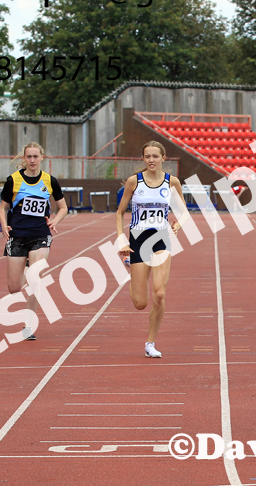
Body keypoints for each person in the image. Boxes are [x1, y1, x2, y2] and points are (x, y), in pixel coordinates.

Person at [116, 141, 187, 358]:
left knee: (159, 293)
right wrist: (121, 239)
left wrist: (178, 224)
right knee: (140, 303)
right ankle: (132, 268)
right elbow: (120, 213)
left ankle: (150, 343)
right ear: (143, 159)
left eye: (155, 156)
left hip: (161, 238)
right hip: (138, 239)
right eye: (147, 156)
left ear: (163, 158)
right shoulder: (133, 182)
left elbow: (183, 211)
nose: (151, 160)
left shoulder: (171, 182)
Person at [0, 142, 68, 341]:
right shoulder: (13, 180)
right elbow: (2, 207)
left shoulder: (49, 181)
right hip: (17, 235)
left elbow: (63, 207)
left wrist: (55, 220)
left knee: (36, 279)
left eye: (35, 157)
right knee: (14, 288)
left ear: (41, 158)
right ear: (24, 158)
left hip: (40, 234)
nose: (32, 160)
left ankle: (28, 325)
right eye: (28, 157)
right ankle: (27, 269)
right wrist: (4, 226)